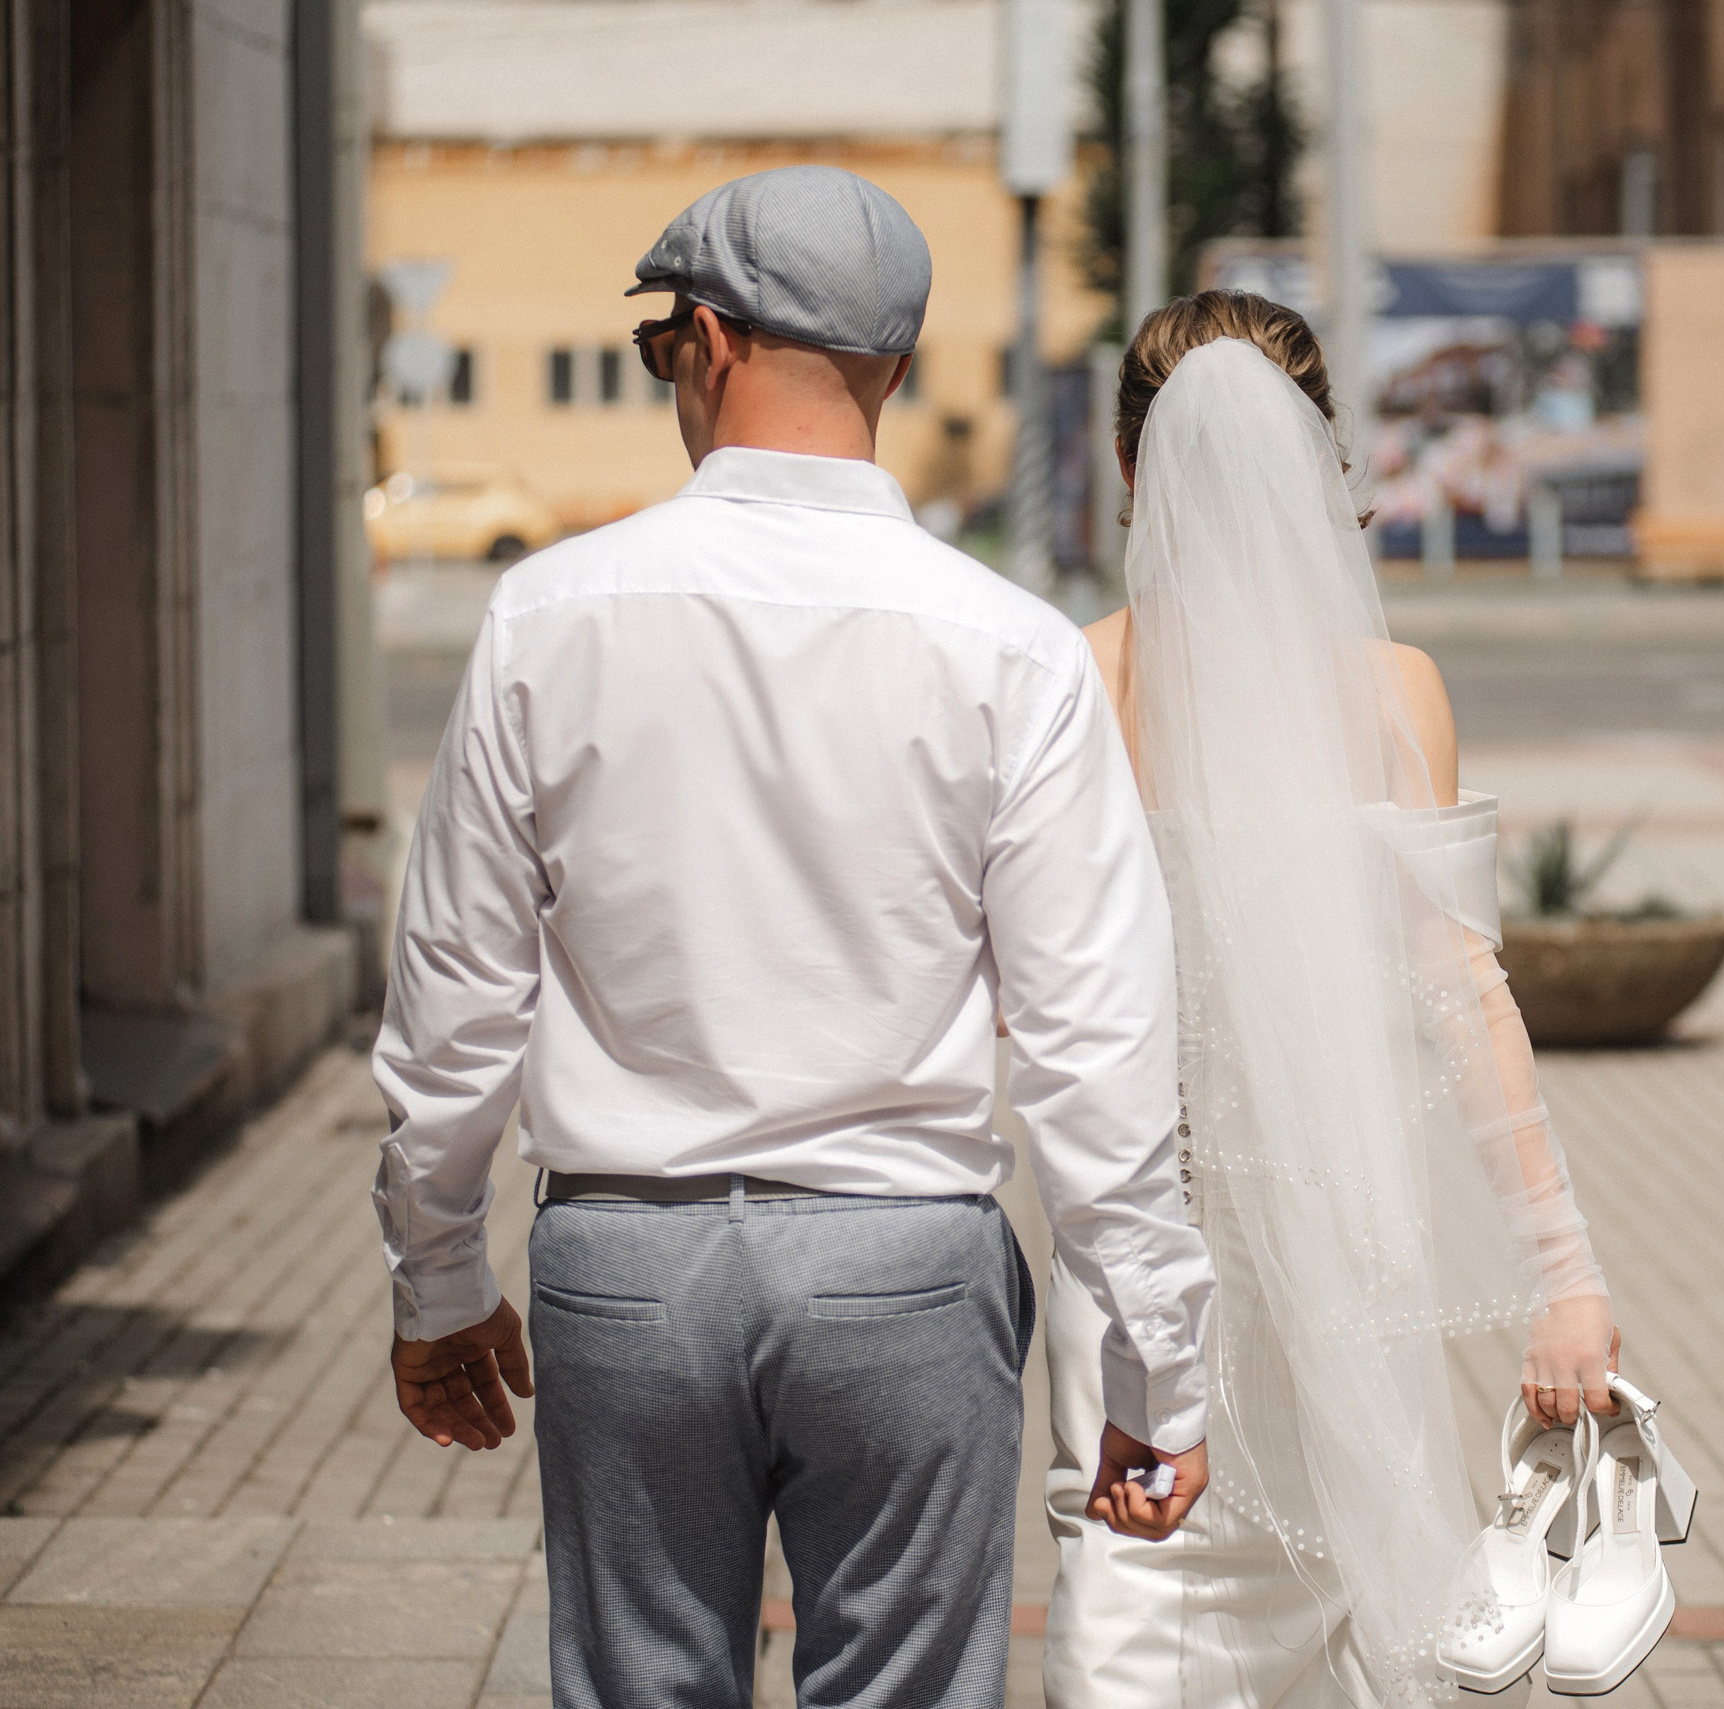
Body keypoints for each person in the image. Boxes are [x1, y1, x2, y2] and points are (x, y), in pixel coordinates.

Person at [371, 165, 1214, 1709]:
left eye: (653, 353)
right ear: (894, 366)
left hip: (627, 1260)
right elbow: (1098, 1043)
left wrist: (435, 1278)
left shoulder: (549, 616)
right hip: (905, 1265)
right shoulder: (1013, 651)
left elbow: (456, 1003)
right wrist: (1156, 1360)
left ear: (702, 336)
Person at [1042, 294, 1621, 1708]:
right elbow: (1466, 998)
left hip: (1136, 1244)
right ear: (1321, 467)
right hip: (1343, 1224)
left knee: (1128, 1573)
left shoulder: (1071, 680)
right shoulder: (1391, 690)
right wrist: (1567, 1274)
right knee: (1365, 1585)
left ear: (1133, 471)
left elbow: (1025, 1009)